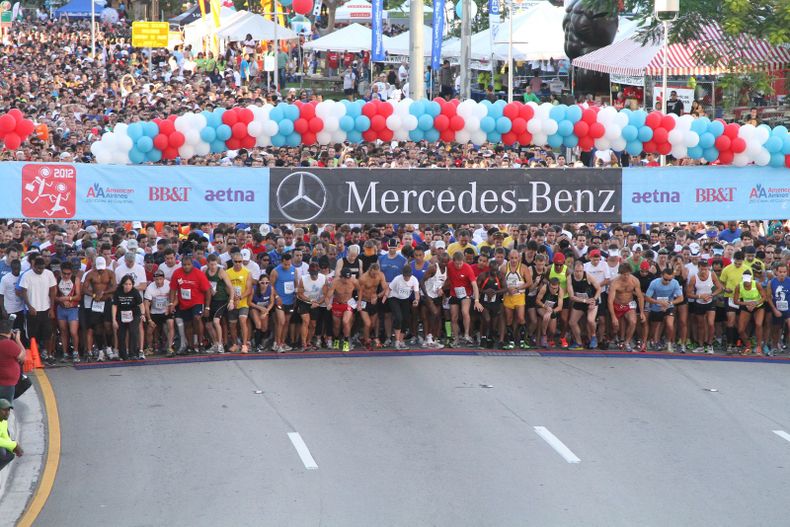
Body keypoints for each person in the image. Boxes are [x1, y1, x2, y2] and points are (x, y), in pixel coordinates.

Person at [169, 255, 211, 355]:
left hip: (197, 301)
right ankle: (191, 346)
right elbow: (173, 289)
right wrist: (171, 303)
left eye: (188, 265)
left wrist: (207, 307)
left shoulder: (199, 274)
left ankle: (200, 343)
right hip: (184, 302)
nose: (186, 267)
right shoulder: (177, 273)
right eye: (184, 265)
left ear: (192, 264)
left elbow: (208, 291)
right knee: (187, 324)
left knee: (197, 318)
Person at [19, 256, 57, 363]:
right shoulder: (27, 275)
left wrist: (51, 308)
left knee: (48, 334)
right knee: (33, 335)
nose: (40, 270)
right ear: (33, 266)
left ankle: (48, 355)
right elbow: (23, 292)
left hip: (46, 309)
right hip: (33, 310)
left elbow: (53, 291)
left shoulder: (49, 274)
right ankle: (34, 356)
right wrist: (30, 307)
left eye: (42, 268)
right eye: (38, 268)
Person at [446, 251, 483, 347]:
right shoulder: (449, 266)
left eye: (460, 263)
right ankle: (456, 338)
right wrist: (442, 289)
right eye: (457, 264)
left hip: (466, 294)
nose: (458, 265)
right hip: (454, 293)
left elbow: (474, 285)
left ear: (463, 261)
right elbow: (448, 278)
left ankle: (466, 334)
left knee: (464, 312)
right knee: (454, 317)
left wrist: (477, 300)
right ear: (453, 261)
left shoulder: (467, 268)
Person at [645, 268, 684, 352]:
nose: (668, 282)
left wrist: (669, 303)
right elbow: (647, 298)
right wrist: (658, 302)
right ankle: (652, 341)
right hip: (656, 306)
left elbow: (681, 298)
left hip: (668, 306)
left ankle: (669, 343)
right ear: (661, 276)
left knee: (670, 325)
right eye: (666, 279)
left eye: (670, 280)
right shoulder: (654, 283)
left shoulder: (675, 283)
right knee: (654, 328)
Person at [608, 263, 645, 352]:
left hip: (629, 305)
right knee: (615, 327)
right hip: (617, 305)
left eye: (628, 274)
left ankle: (627, 342)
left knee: (633, 321)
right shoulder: (615, 283)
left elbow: (640, 297)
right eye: (624, 274)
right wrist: (613, 317)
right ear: (620, 273)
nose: (626, 276)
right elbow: (610, 301)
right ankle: (615, 337)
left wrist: (642, 312)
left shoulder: (634, 280)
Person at [567, 260, 601, 350]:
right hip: (581, 301)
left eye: (580, 271)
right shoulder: (570, 278)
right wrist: (585, 301)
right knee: (572, 322)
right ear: (573, 270)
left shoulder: (588, 276)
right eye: (576, 271)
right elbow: (571, 296)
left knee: (590, 320)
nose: (578, 273)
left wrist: (594, 299)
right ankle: (578, 343)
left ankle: (593, 337)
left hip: (591, 300)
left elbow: (599, 288)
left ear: (583, 270)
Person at [501, 249, 530, 350]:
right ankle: (511, 341)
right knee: (509, 319)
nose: (514, 260)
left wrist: (517, 288)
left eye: (516, 258)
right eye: (512, 258)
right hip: (508, 297)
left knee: (521, 318)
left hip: (519, 296)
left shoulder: (523, 268)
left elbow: (529, 283)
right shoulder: (504, 268)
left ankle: (523, 341)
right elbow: (501, 282)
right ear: (508, 258)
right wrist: (507, 289)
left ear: (519, 258)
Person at [295, 261, 327, 352]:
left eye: (315, 273)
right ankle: (303, 343)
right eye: (312, 273)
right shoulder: (303, 279)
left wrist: (318, 303)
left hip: (316, 302)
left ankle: (309, 341)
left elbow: (325, 294)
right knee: (306, 321)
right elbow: (300, 294)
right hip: (304, 302)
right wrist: (310, 301)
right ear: (309, 272)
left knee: (313, 324)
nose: (314, 275)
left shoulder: (323, 278)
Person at [733, 270, 766, 355]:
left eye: (748, 281)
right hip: (746, 306)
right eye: (745, 281)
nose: (747, 283)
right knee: (740, 330)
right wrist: (747, 303)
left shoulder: (756, 284)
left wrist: (755, 304)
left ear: (751, 279)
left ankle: (759, 347)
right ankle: (748, 346)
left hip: (758, 306)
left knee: (758, 324)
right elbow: (735, 301)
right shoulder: (739, 286)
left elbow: (764, 297)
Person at [387, 264, 420, 350]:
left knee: (406, 318)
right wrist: (384, 298)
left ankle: (401, 340)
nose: (406, 278)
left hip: (404, 299)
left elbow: (416, 292)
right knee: (398, 317)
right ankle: (397, 340)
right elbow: (389, 288)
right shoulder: (397, 279)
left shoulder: (414, 280)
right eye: (405, 276)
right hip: (394, 298)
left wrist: (416, 300)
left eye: (408, 276)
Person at [112, 275, 145, 360]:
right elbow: (114, 306)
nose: (128, 286)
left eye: (130, 284)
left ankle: (133, 353)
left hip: (134, 313)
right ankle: (123, 354)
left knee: (133, 331)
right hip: (121, 313)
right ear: (122, 284)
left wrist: (143, 314)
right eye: (126, 284)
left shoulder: (135, 292)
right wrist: (114, 319)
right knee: (121, 334)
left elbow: (141, 304)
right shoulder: (118, 292)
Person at [326, 267, 358, 352]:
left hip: (348, 304)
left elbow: (361, 290)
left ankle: (346, 341)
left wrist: (359, 301)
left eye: (349, 278)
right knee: (336, 326)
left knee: (345, 321)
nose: (347, 280)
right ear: (341, 277)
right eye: (345, 278)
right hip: (337, 304)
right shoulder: (335, 282)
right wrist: (328, 303)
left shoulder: (354, 281)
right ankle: (336, 339)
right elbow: (328, 296)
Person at [357, 263, 389, 349]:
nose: (375, 275)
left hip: (374, 301)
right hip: (364, 300)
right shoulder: (363, 278)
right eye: (373, 273)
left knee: (373, 325)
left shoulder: (380, 275)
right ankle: (367, 342)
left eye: (376, 273)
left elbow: (386, 288)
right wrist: (359, 303)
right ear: (370, 271)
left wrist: (377, 296)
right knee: (368, 324)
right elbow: (359, 291)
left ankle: (363, 338)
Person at [270, 252, 296, 353]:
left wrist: (295, 295)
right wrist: (276, 296)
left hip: (290, 301)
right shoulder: (275, 271)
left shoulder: (294, 270)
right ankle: (278, 343)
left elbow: (295, 283)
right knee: (281, 322)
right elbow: (271, 286)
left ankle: (282, 342)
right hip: (280, 301)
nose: (287, 266)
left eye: (289, 264)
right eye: (285, 264)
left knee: (286, 323)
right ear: (281, 262)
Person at [144, 269, 175, 356]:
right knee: (150, 329)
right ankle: (149, 347)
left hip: (166, 310)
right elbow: (146, 305)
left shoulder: (169, 284)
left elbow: (176, 298)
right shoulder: (150, 287)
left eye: (160, 279)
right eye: (156, 279)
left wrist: (170, 307)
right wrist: (149, 319)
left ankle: (170, 347)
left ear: (164, 278)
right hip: (155, 311)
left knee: (170, 324)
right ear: (154, 279)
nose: (158, 281)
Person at [55, 261, 81, 363]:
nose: (66, 276)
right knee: (63, 331)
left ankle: (75, 352)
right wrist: (61, 300)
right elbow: (54, 296)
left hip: (73, 309)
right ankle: (65, 353)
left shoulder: (76, 279)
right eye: (64, 273)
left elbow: (78, 296)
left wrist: (68, 299)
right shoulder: (57, 279)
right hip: (61, 309)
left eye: (68, 274)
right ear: (61, 272)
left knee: (73, 332)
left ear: (72, 273)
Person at [0, 319, 25, 404]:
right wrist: (18, 340)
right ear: (9, 331)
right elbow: (22, 357)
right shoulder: (8, 344)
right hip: (6, 383)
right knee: (5, 409)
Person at [0, 399, 22, 473]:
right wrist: (14, 445)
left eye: (8, 410)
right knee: (2, 452)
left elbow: (5, 436)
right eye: (4, 410)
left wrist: (13, 447)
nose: (7, 413)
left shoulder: (3, 421)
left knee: (10, 455)